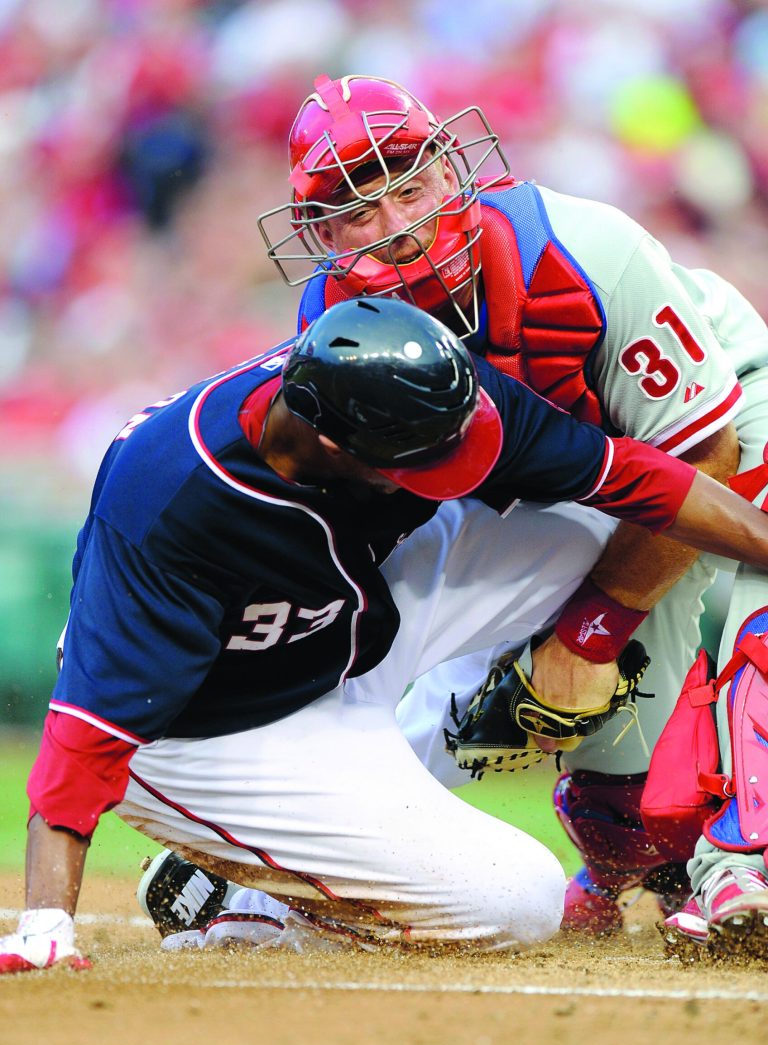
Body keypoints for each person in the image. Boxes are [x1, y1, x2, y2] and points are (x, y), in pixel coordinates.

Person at [2, 296, 767, 973]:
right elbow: (84, 735)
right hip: (207, 733)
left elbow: (637, 478)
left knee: (591, 529)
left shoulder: (426, 386)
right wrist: (44, 923)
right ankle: (259, 901)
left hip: (342, 634)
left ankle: (274, 853)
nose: (459, 461)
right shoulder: (168, 502)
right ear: (334, 444)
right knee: (521, 900)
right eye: (426, 460)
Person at [256, 74, 768, 957]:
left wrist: (590, 629)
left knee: (722, 627)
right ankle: (632, 859)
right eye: (354, 209)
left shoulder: (583, 249)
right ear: (318, 235)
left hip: (724, 418)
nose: (396, 228)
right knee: (623, 796)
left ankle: (744, 854)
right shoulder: (330, 330)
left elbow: (700, 454)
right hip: (579, 482)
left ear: (451, 173)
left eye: (407, 187)